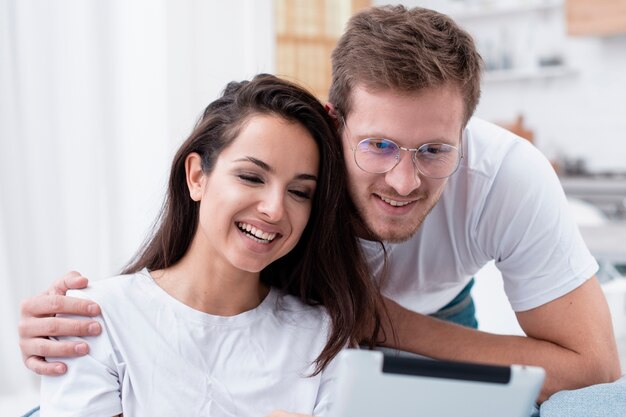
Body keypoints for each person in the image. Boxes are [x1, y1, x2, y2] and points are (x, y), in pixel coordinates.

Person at [19, 4, 622, 414]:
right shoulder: (292, 161)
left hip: (425, 318)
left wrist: (380, 324)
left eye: (436, 149)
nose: (404, 179)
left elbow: (594, 366)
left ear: (466, 135)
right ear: (336, 127)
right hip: (304, 312)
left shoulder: (505, 179)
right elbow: (192, 277)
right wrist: (79, 324)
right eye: (377, 145)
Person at [35, 74, 384, 416]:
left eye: (299, 192)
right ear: (197, 177)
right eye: (251, 177)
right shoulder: (96, 319)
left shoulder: (321, 335)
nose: (275, 208)